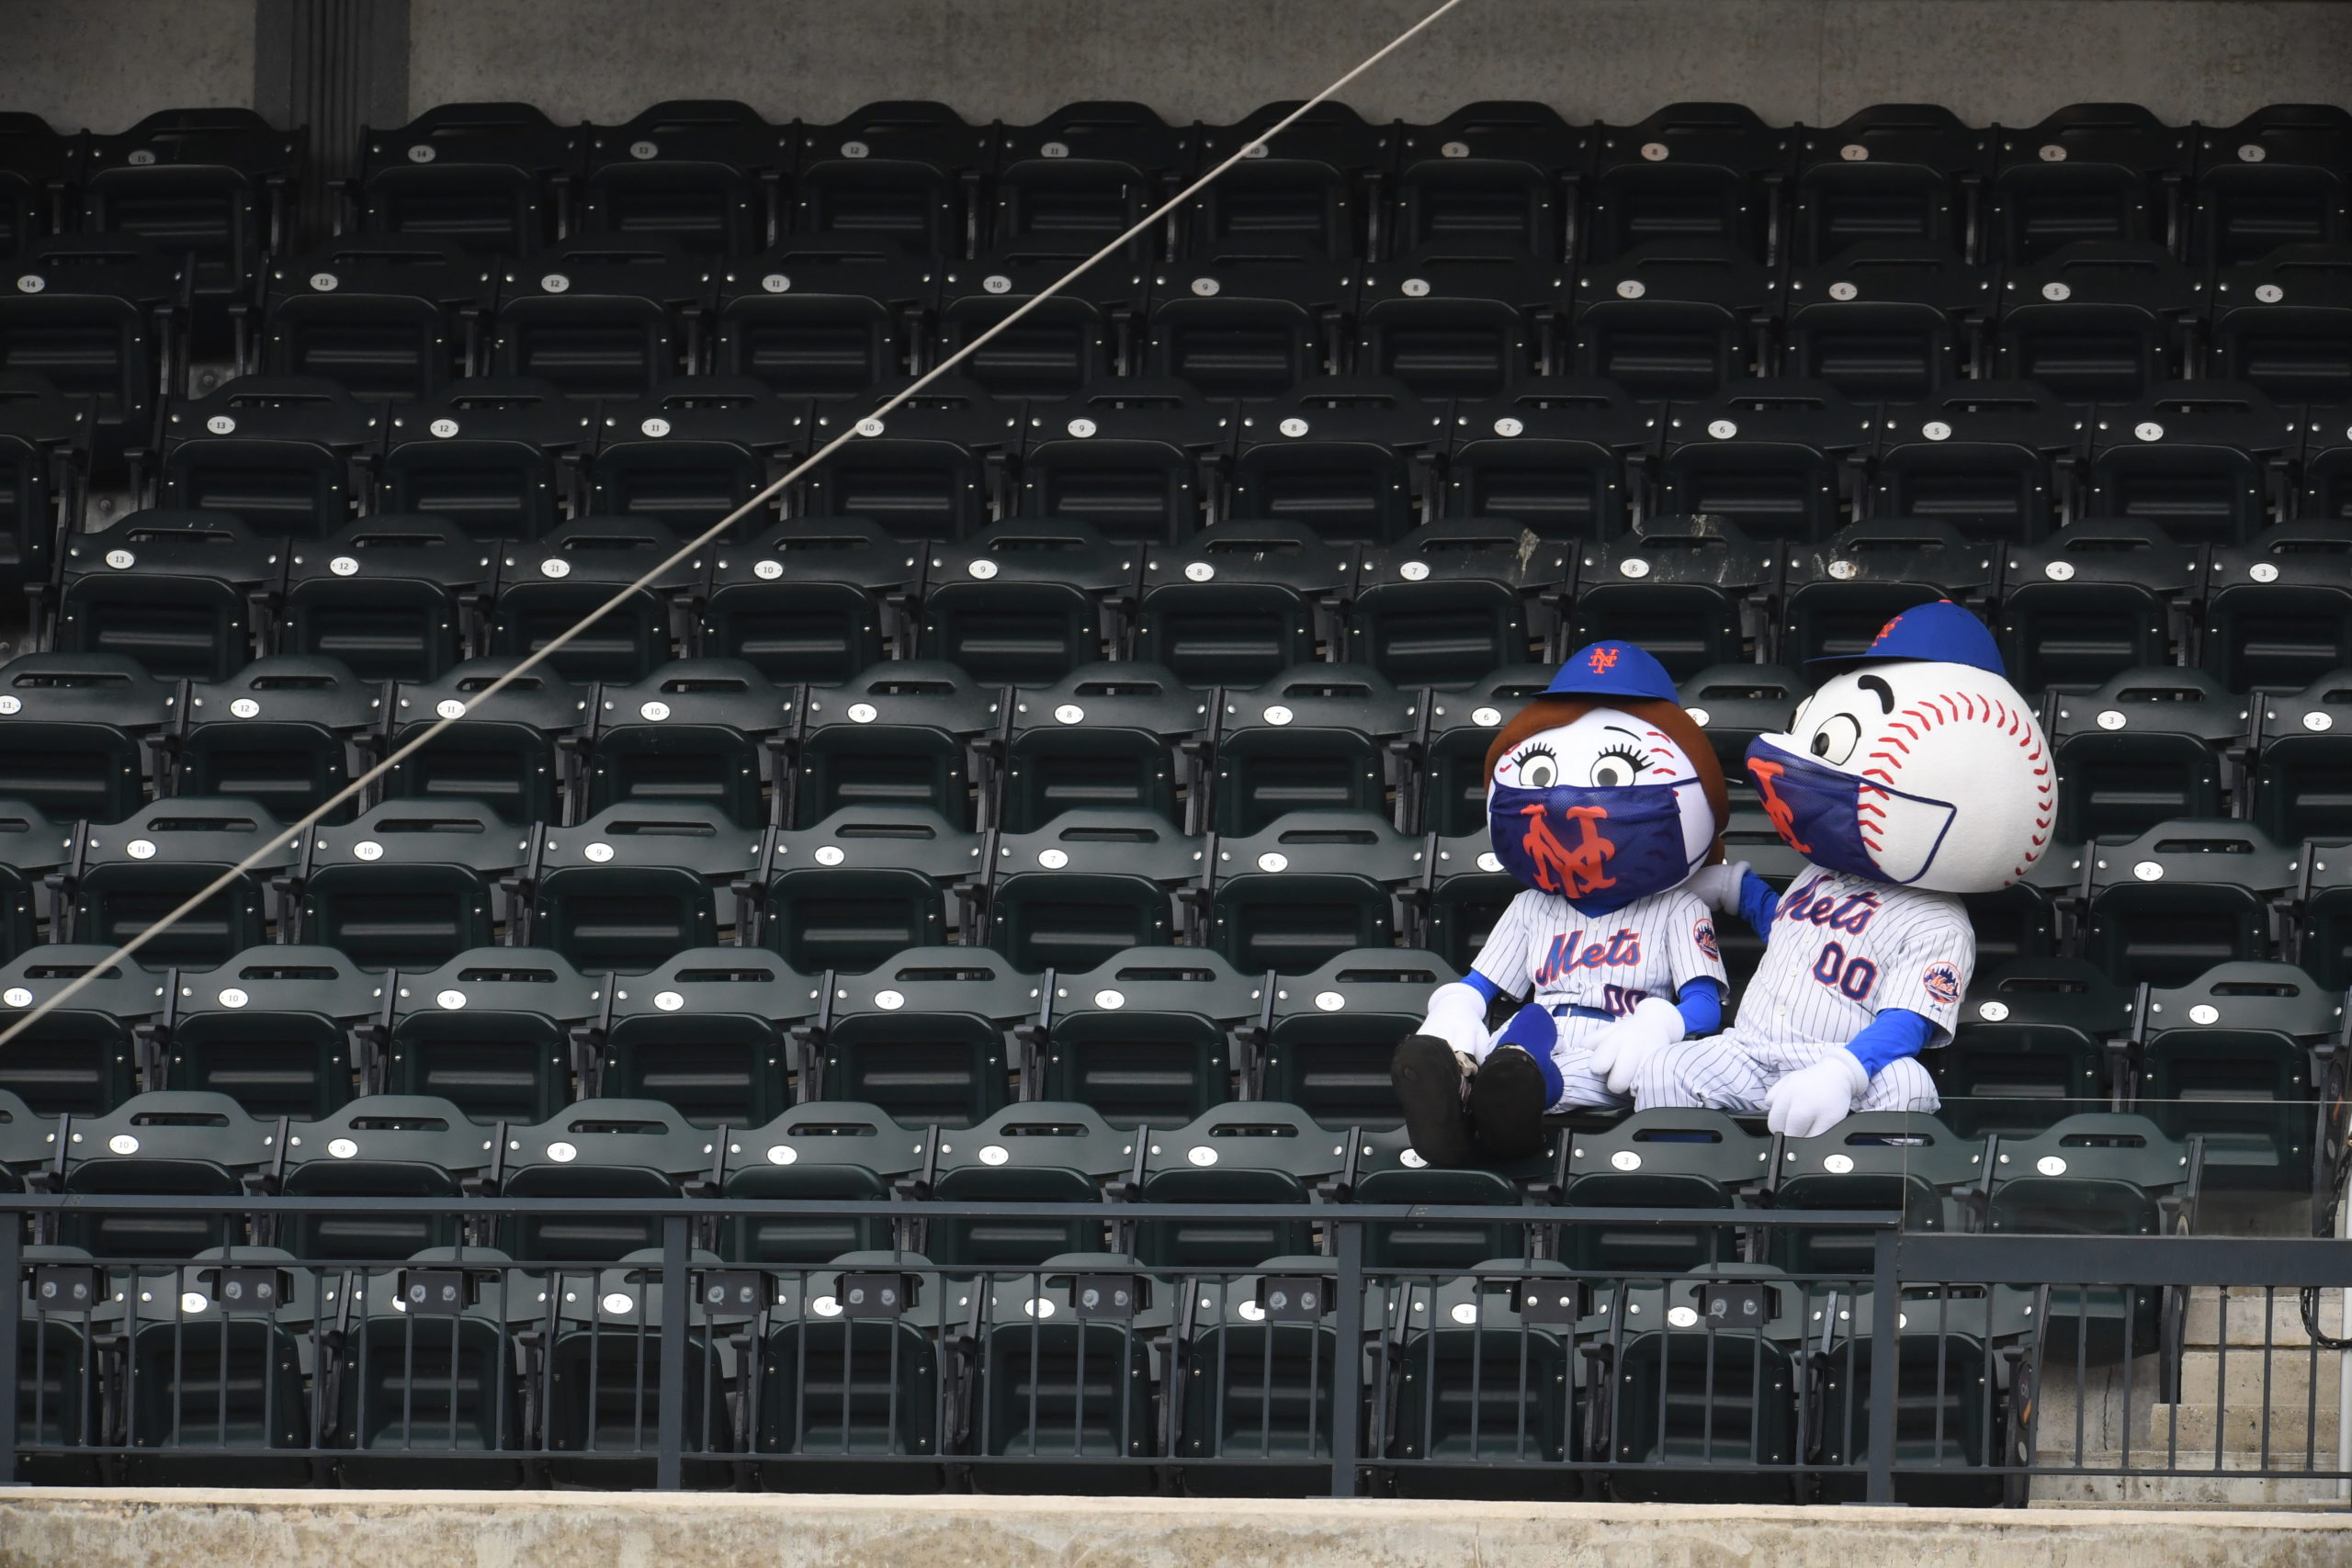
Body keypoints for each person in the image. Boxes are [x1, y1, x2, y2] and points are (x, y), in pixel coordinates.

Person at [1640, 600, 2055, 1136]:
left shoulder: (1939, 923)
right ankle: (1701, 1202)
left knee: (1910, 1084)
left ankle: (1846, 1205)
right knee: (1663, 1069)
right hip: (1752, 1049)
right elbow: (1788, 931)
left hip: (1842, 1061)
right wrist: (1737, 889)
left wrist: (1842, 1071)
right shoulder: (1821, 875)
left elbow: (1909, 1020)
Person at [1390, 638, 1730, 1165]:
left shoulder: (1680, 908)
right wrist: (1456, 1010)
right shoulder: (1533, 904)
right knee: (1485, 1053)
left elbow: (1706, 1003)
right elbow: (1484, 984)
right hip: (1531, 1029)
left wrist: (1661, 1025)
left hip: (1618, 1042)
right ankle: (1453, 1099)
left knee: (1530, 1076)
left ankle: (1488, 1109)